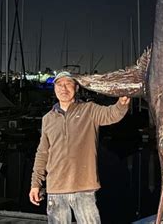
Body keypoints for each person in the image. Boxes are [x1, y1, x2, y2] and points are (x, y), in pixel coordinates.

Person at [29, 71, 130, 223]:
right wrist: (35, 184)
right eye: (59, 84)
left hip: (84, 188)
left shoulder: (89, 110)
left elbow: (112, 114)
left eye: (68, 84)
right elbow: (42, 153)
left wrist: (121, 103)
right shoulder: (47, 119)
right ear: (54, 88)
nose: (64, 88)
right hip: (55, 189)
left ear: (76, 88)